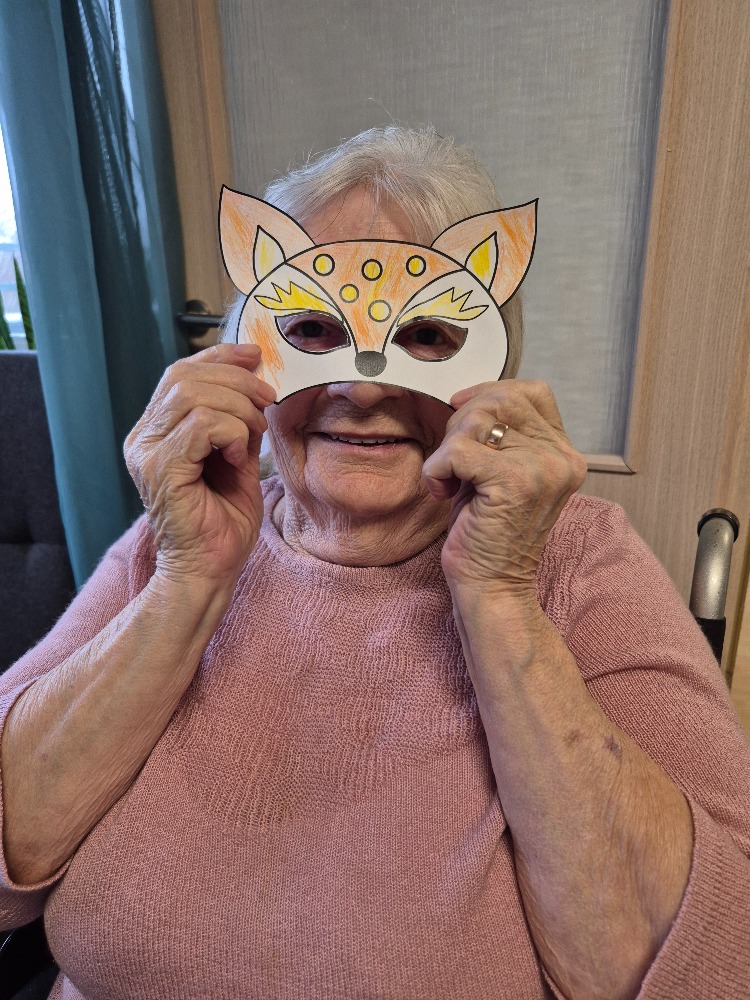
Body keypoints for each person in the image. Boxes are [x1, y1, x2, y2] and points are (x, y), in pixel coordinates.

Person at [1, 126, 749, 1000]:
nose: (362, 384)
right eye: (312, 329)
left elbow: (715, 968)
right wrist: (187, 581)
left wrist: (499, 595)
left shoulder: (577, 560)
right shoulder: (191, 530)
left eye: (426, 336)